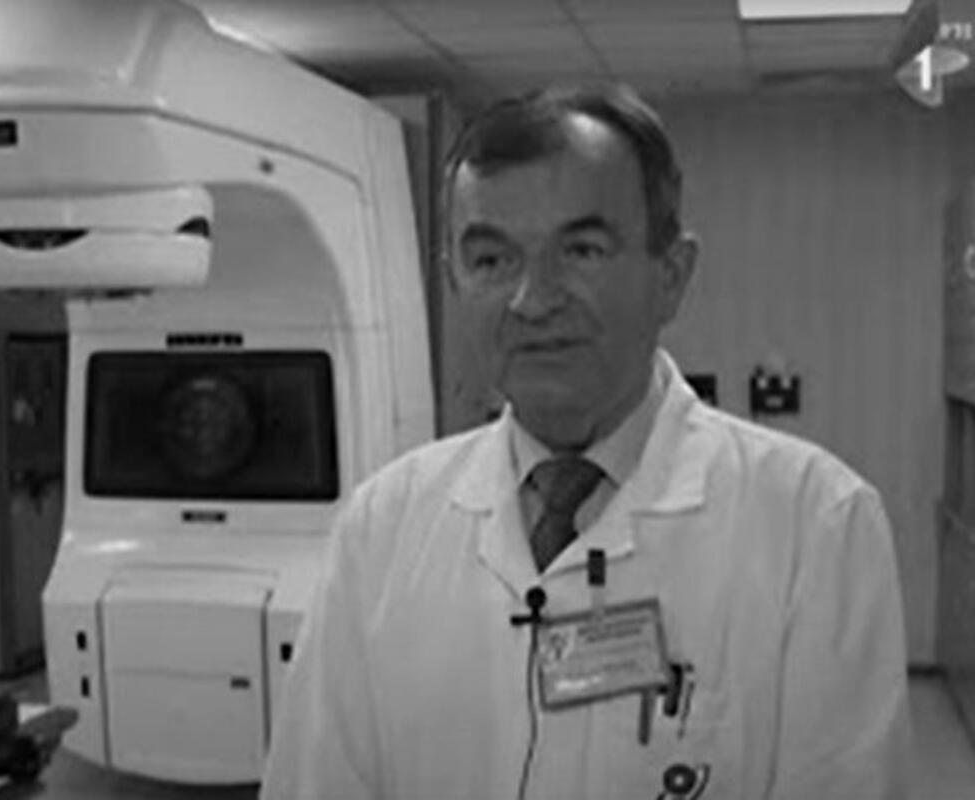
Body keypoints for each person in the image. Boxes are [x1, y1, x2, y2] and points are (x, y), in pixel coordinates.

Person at [260, 84, 911, 800]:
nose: (533, 300)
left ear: (672, 277)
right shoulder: (380, 530)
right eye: (491, 260)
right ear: (453, 282)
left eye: (582, 250)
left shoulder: (816, 525)